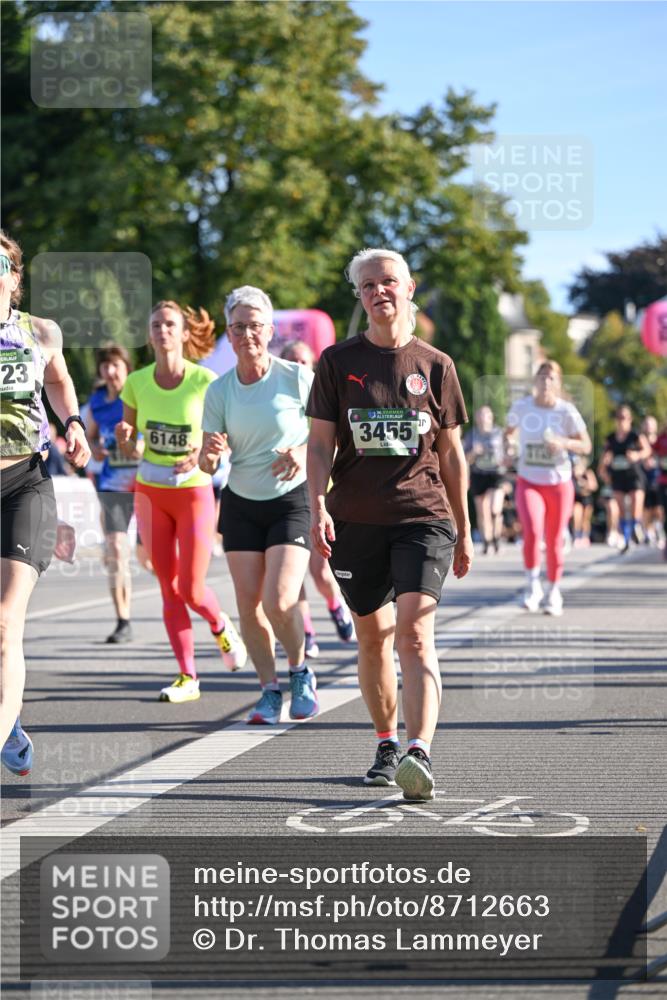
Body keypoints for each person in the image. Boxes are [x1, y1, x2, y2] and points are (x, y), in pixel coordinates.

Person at [307, 248, 472, 802]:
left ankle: (419, 751)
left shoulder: (437, 365)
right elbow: (320, 443)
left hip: (423, 515)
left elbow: (451, 456)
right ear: (359, 295)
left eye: (390, 282)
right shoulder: (335, 362)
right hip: (355, 517)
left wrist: (467, 529)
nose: (380, 291)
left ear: (409, 288)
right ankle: (385, 744)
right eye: (369, 284)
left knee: (415, 634)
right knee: (373, 638)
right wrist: (317, 505)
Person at [116, 300, 246, 702]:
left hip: (193, 493)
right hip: (151, 493)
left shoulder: (205, 380)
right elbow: (131, 443)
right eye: (156, 324)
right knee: (168, 590)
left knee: (191, 587)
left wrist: (204, 449)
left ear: (185, 333)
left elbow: (224, 437)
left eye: (170, 324)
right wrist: (125, 441)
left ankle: (220, 623)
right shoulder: (136, 382)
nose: (162, 330)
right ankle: (187, 677)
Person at [200, 287, 317, 725]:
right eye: (237, 327)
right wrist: (209, 455)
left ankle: (300, 671)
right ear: (228, 336)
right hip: (241, 502)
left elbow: (328, 439)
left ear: (269, 330)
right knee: (248, 606)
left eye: (254, 325)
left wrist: (302, 454)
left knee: (280, 600)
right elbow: (206, 459)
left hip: (291, 499)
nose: (246, 333)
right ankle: (269, 690)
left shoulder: (297, 378)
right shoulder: (220, 391)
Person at [0, 229, 90, 774]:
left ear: (14, 278)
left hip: (24, 484)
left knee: (5, 621)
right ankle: (8, 716)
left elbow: (57, 380)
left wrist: (72, 421)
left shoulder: (40, 331)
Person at [279, 339, 355, 657]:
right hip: (285, 495)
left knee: (321, 572)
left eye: (304, 361)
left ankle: (335, 603)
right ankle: (307, 632)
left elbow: (332, 444)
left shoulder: (324, 394)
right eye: (291, 362)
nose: (298, 367)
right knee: (291, 572)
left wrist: (300, 452)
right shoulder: (277, 400)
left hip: (319, 493)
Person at [505, 361, 592, 616]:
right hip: (529, 480)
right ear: (535, 381)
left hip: (559, 482)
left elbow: (586, 445)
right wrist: (510, 446)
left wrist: (563, 443)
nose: (545, 381)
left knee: (554, 540)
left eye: (551, 377)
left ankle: (554, 590)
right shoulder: (521, 407)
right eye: (542, 376)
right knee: (531, 531)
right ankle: (532, 586)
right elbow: (507, 434)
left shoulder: (566, 411)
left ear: (558, 383)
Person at [87, 345, 141, 643]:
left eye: (115, 365)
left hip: (147, 483)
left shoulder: (139, 393)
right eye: (105, 366)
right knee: (117, 550)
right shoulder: (97, 401)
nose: (110, 371)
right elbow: (91, 434)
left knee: (147, 558)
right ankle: (123, 620)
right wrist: (94, 446)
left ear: (126, 367)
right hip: (112, 485)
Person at [598, 405, 651, 552]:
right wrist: (603, 471)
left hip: (634, 476)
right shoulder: (611, 438)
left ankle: (636, 527)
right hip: (618, 476)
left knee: (635, 504)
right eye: (619, 417)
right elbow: (604, 457)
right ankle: (626, 539)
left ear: (630, 419)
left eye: (625, 417)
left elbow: (647, 450)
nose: (622, 421)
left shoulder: (635, 436)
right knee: (620, 508)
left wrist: (637, 455)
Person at [463, 405, 506, 554]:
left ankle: (497, 538)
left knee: (495, 509)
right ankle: (487, 542)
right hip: (478, 473)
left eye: (486, 415)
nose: (483, 418)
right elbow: (465, 459)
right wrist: (474, 453)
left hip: (496, 473)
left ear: (491, 417)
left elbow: (508, 452)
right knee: (482, 511)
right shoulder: (471, 435)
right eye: (480, 415)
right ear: (476, 417)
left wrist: (507, 458)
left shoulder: (499, 433)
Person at [640, 416, 663, 547]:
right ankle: (648, 532)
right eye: (646, 424)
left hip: (658, 478)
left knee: (659, 508)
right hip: (643, 478)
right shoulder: (640, 441)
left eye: (651, 424)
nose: (649, 427)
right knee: (646, 508)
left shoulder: (659, 440)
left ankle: (658, 528)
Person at [571, 456, 598, 547]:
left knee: (585, 519)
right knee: (576, 516)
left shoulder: (588, 473)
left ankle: (585, 536)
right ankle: (576, 536)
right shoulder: (572, 474)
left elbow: (593, 486)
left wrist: (582, 481)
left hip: (587, 499)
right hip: (576, 498)